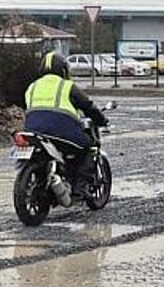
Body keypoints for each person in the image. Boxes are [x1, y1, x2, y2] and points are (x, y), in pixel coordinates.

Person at [23, 52, 110, 195]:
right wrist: (102, 120)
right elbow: (87, 106)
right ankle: (80, 188)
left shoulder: (32, 86)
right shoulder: (67, 86)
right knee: (89, 147)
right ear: (63, 70)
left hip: (33, 130)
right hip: (60, 131)